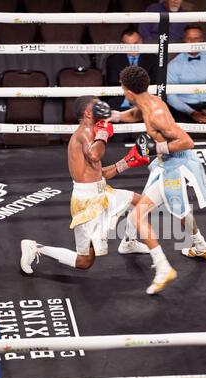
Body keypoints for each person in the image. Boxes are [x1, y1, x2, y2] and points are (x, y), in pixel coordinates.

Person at [111, 66, 206, 295]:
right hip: (165, 164)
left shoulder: (156, 113)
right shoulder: (148, 101)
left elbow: (187, 141)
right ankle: (201, 246)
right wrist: (116, 117)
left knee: (139, 214)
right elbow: (137, 113)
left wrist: (154, 147)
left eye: (122, 86)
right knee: (177, 210)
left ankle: (163, 267)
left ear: (128, 91)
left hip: (174, 167)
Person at [20, 97, 150, 276]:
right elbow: (96, 155)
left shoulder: (93, 130)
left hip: (101, 191)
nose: (101, 108)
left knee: (141, 202)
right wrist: (103, 132)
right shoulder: (85, 132)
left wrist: (126, 162)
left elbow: (99, 173)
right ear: (88, 113)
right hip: (87, 202)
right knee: (84, 261)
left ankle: (129, 242)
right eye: (96, 106)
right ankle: (35, 247)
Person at [167, 25, 206, 124]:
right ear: (184, 40)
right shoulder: (173, 65)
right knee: (179, 125)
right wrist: (191, 112)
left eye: (196, 39)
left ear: (202, 40)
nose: (192, 42)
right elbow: (171, 96)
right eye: (189, 38)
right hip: (185, 108)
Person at [105, 27, 157, 112]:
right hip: (121, 101)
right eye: (129, 45)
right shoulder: (113, 60)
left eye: (136, 43)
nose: (133, 47)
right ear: (122, 45)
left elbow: (154, 81)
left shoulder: (153, 59)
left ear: (141, 41)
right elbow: (112, 82)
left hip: (146, 101)